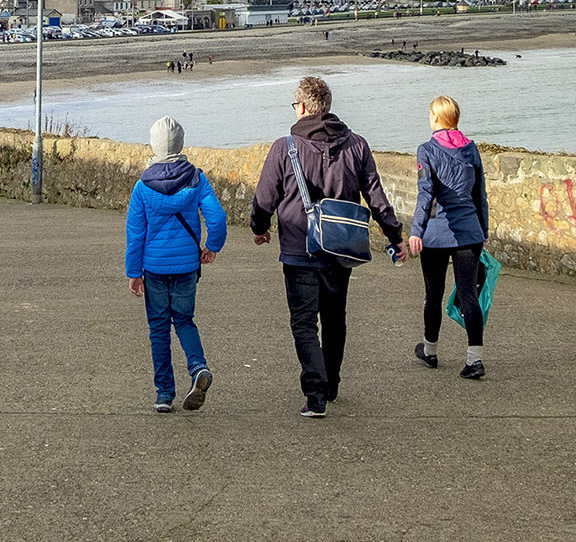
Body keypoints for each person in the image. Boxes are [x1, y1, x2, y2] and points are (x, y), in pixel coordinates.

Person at [250, 75, 404, 417]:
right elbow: (376, 197)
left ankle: (316, 394)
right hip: (340, 248)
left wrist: (259, 228)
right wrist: (395, 236)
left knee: (304, 323)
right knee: (335, 319)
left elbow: (264, 198)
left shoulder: (284, 147)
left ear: (303, 107)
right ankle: (331, 383)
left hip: (299, 249)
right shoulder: (357, 145)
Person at [125, 116, 228, 413]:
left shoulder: (143, 187)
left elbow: (135, 234)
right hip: (185, 265)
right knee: (183, 320)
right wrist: (212, 247)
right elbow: (217, 218)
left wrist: (134, 273)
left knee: (158, 327)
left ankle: (164, 395)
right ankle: (198, 368)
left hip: (153, 267)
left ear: (154, 145)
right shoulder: (197, 178)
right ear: (181, 144)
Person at [410, 95, 490, 379]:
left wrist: (416, 231)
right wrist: (484, 230)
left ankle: (430, 352)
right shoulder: (472, 149)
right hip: (469, 233)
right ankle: (474, 360)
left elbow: (425, 194)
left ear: (436, 118)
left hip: (435, 235)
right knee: (469, 294)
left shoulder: (426, 150)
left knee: (434, 294)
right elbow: (480, 194)